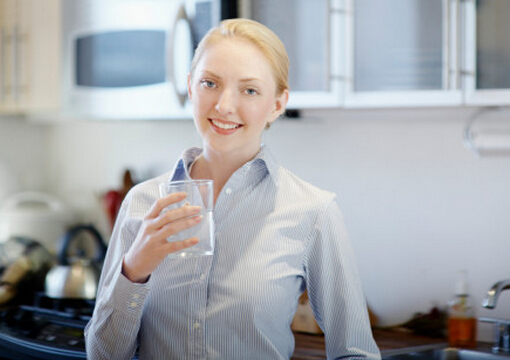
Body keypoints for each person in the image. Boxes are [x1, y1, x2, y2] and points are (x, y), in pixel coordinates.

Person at [85, 18, 381, 360]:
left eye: (249, 90)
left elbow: (356, 353)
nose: (224, 105)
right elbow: (102, 355)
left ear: (278, 103)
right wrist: (134, 271)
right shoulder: (142, 203)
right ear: (190, 88)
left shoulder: (313, 212)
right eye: (210, 83)